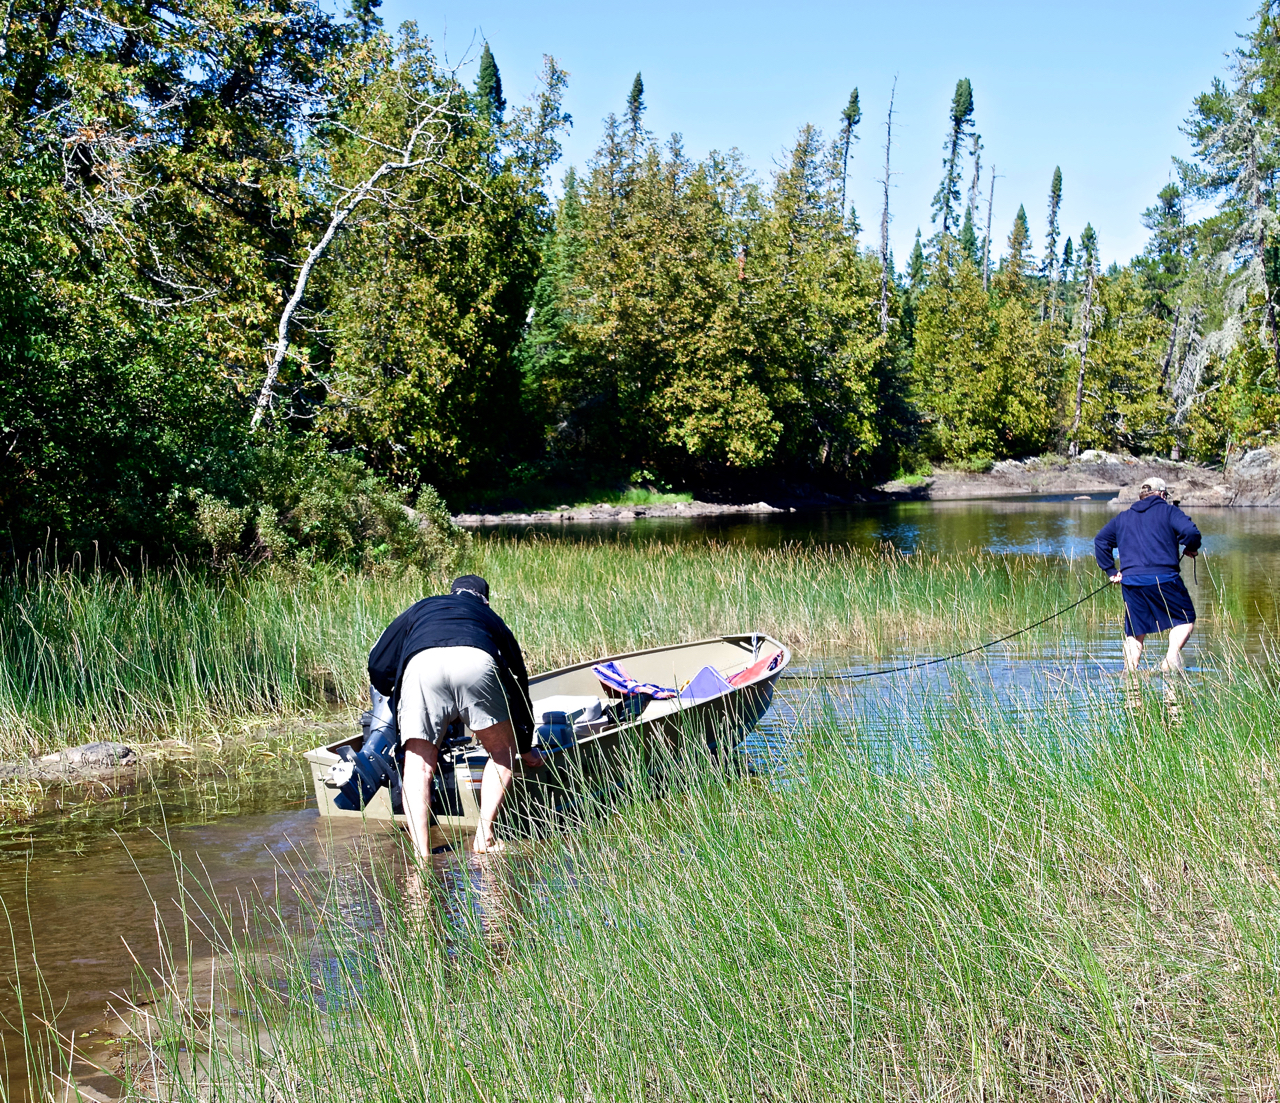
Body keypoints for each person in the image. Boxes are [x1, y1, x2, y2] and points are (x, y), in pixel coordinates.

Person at [367, 575, 540, 857]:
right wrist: (524, 745)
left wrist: (393, 690)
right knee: (500, 752)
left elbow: (377, 663)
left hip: (421, 665)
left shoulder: (421, 607)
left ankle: (422, 855)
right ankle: (485, 838)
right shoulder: (487, 614)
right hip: (474, 660)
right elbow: (518, 680)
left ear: (451, 592)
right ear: (484, 598)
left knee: (418, 767)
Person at [1093, 477, 1202, 673]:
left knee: (1135, 631)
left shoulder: (1123, 517)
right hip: (1165, 579)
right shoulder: (1169, 512)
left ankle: (1130, 675)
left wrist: (1111, 571)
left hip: (1131, 582)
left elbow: (1101, 541)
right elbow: (1191, 532)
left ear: (1142, 496)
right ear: (1162, 494)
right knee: (1185, 620)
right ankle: (1169, 661)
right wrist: (1191, 548)